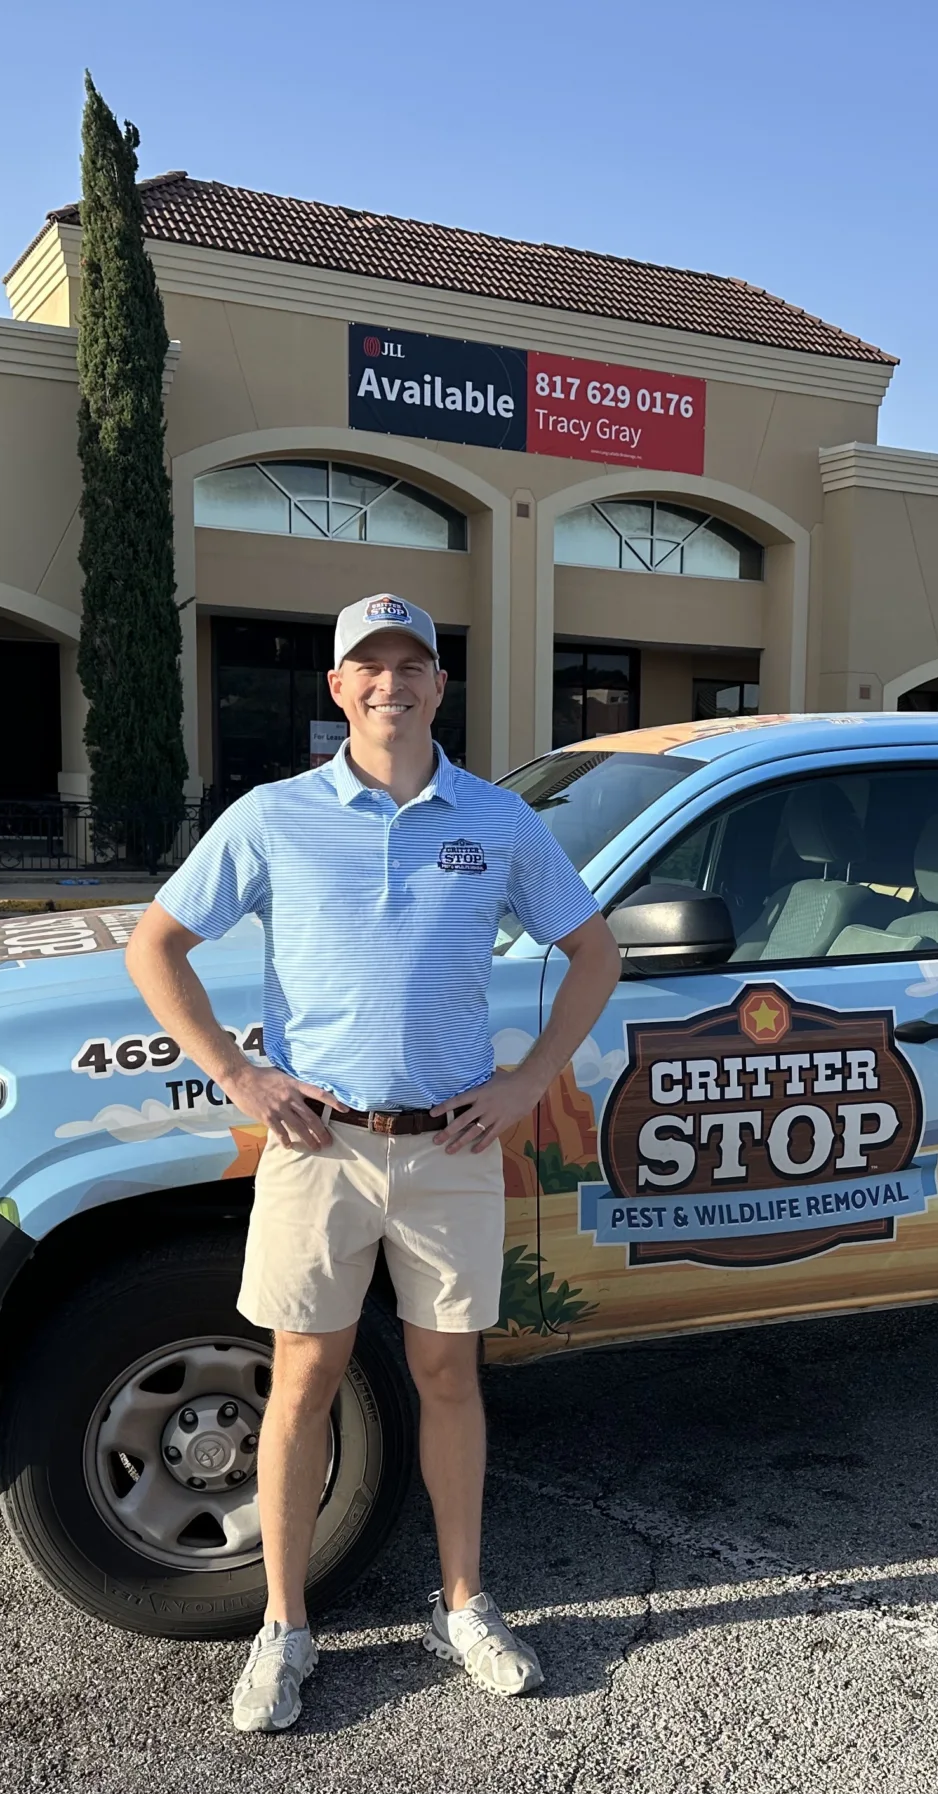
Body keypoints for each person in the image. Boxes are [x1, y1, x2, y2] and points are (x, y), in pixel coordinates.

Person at [125, 591, 618, 1734]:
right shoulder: (273, 817)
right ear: (338, 688)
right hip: (319, 1147)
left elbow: (593, 953)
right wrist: (240, 1075)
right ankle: (284, 1627)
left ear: (440, 686)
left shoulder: (496, 821)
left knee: (449, 1375)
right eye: (369, 666)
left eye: (411, 665)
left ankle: (464, 1603)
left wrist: (527, 1081)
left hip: (450, 1144)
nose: (390, 683)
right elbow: (157, 946)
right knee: (302, 1379)